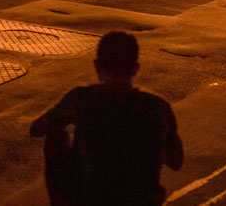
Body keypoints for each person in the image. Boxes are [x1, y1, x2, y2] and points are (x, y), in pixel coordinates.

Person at [30, 32, 183, 206]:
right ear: (135, 69)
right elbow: (176, 161)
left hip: (88, 199)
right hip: (141, 200)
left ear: (97, 66)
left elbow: (36, 129)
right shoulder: (158, 107)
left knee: (56, 137)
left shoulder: (83, 99)